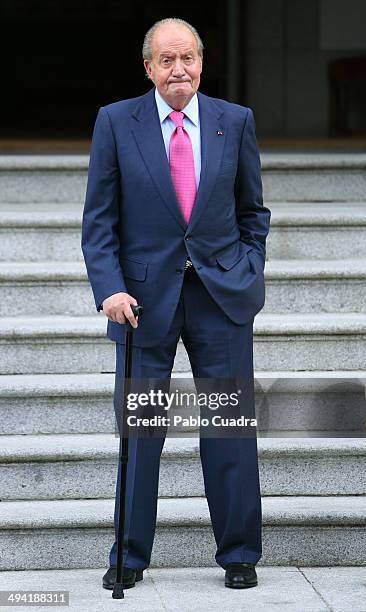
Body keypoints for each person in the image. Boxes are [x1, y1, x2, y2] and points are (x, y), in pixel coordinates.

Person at [81, 17, 271, 591]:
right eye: (166, 60)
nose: (178, 69)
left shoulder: (234, 123)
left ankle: (239, 553)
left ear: (201, 62)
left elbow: (252, 213)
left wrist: (249, 270)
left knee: (229, 427)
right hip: (139, 301)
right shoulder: (116, 122)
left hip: (220, 296)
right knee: (141, 429)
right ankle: (129, 556)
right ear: (148, 68)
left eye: (186, 57)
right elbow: (99, 221)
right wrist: (109, 288)